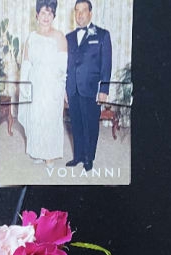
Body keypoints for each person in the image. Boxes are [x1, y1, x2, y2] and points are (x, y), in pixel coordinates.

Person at [17, 0, 68, 167]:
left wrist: (61, 88)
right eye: (43, 13)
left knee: (50, 118)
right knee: (36, 117)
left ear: (54, 16)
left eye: (50, 13)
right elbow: (26, 64)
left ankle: (50, 155)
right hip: (35, 82)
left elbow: (63, 66)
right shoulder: (31, 38)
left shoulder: (59, 36)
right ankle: (38, 152)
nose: (46, 17)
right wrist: (24, 86)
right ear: (37, 15)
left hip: (52, 84)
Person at [65, 0, 112, 171]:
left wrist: (104, 90)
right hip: (73, 88)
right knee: (76, 123)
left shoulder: (102, 35)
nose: (80, 14)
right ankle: (78, 156)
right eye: (77, 11)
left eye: (83, 10)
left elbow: (106, 65)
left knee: (90, 124)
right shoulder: (69, 37)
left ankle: (89, 158)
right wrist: (65, 88)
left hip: (91, 89)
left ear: (90, 13)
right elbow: (66, 65)